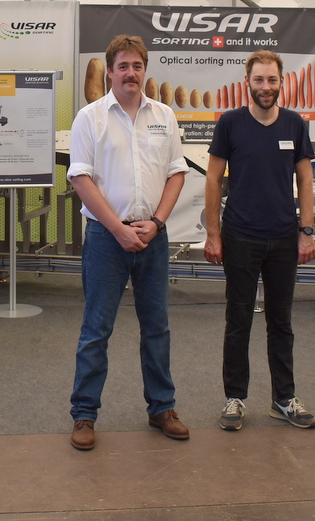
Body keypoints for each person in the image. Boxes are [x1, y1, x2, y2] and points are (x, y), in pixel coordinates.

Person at [67, 34, 189, 451]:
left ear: (144, 70)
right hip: (106, 238)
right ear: (110, 72)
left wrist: (156, 222)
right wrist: (118, 229)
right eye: (123, 66)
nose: (130, 73)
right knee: (96, 330)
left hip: (153, 237)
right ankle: (84, 414)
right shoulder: (90, 117)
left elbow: (176, 173)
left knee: (157, 328)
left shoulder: (164, 116)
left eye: (137, 66)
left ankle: (162, 408)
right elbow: (80, 178)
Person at [203, 50, 315, 432]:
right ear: (247, 82)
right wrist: (214, 234)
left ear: (281, 82)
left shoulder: (295, 124)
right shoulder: (230, 123)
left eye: (271, 80)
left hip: (284, 239)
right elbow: (213, 179)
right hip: (240, 237)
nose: (265, 87)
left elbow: (305, 180)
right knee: (238, 321)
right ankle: (234, 398)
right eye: (258, 80)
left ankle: (283, 398)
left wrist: (306, 231)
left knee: (281, 322)